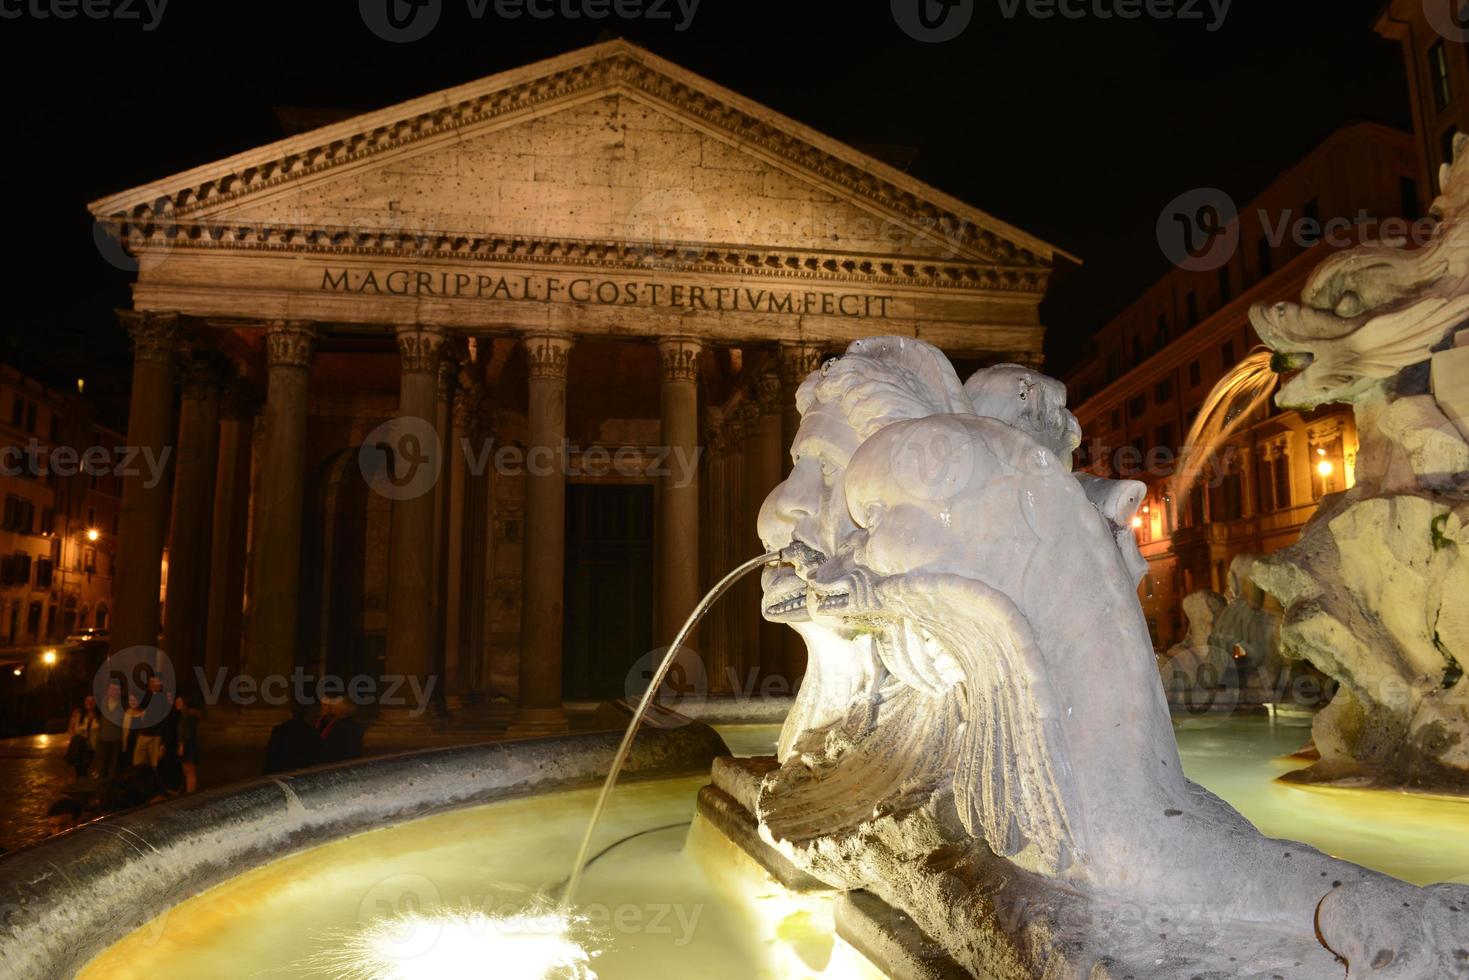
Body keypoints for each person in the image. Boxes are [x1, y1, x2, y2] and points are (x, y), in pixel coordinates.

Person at [263, 705, 317, 775]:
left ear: (291, 715)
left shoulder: (279, 729)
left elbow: (271, 753)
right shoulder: (310, 731)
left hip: (281, 771)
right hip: (301, 772)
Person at [313, 697, 364, 765]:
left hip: (340, 762)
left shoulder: (340, 726)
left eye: (334, 707)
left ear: (340, 710)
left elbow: (335, 747)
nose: (333, 708)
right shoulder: (353, 724)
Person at [93, 679, 125, 780]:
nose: (114, 691)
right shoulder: (102, 702)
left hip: (116, 740)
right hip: (102, 739)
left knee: (113, 768)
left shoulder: (124, 704)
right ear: (107, 690)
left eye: (117, 689)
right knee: (101, 767)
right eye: (112, 689)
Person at [65, 695, 102, 779]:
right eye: (87, 701)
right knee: (80, 769)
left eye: (92, 701)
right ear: (84, 702)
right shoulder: (78, 714)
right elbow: (70, 728)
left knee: (91, 768)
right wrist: (76, 737)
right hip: (80, 747)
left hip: (93, 747)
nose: (90, 703)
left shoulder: (99, 715)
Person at [172, 694, 200, 793]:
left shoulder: (187, 716)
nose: (177, 704)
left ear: (185, 704)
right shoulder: (184, 715)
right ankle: (188, 790)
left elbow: (188, 733)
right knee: (187, 770)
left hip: (189, 747)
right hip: (189, 746)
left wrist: (182, 745)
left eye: (179, 702)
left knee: (190, 770)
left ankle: (190, 792)